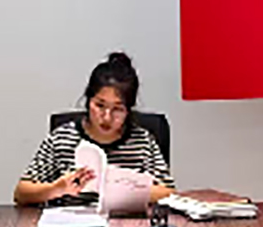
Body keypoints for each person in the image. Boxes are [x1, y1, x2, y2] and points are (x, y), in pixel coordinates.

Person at [14, 52, 174, 206]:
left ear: (128, 110)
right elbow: (21, 193)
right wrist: (57, 188)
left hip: (124, 222)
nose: (107, 117)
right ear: (88, 100)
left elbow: (169, 193)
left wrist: (127, 191)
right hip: (71, 223)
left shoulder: (142, 142)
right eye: (100, 105)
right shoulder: (62, 139)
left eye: (118, 109)